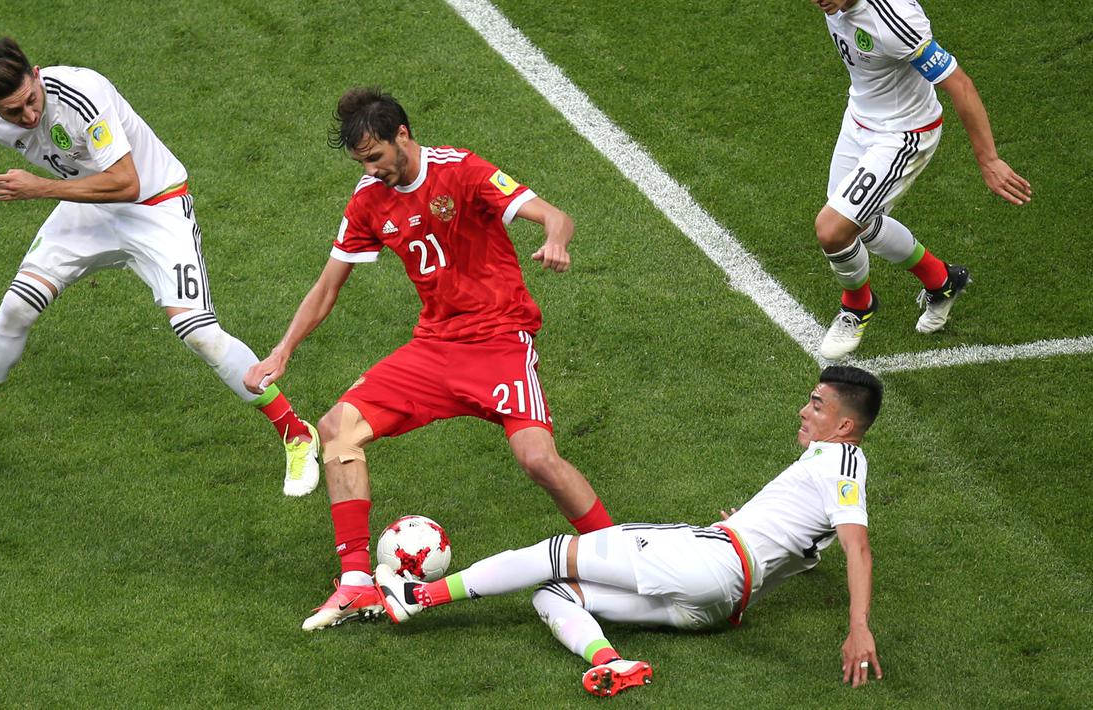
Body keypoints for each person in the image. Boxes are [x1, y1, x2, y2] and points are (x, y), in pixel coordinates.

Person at [243, 87, 614, 631]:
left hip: (499, 342)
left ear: (402, 135)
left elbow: (555, 216)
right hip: (435, 348)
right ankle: (356, 585)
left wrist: (556, 241)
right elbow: (327, 288)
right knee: (337, 429)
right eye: (360, 163)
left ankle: (617, 554)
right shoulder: (368, 199)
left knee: (538, 459)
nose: (370, 171)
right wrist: (283, 349)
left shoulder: (460, 170)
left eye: (374, 158)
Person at [0, 38, 320, 496]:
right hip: (87, 208)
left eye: (31, 100)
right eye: (13, 111)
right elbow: (83, 175)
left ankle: (297, 433)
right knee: (15, 309)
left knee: (199, 333)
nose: (27, 116)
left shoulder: (82, 94)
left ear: (39, 74)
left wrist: (39, 189)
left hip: (156, 207)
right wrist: (53, 189)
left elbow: (128, 182)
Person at [376, 365, 885, 698]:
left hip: (711, 561)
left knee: (554, 553)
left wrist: (859, 626)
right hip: (715, 609)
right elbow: (808, 545)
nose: (804, 409)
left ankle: (418, 595)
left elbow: (856, 546)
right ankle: (613, 663)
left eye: (818, 404)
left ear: (845, 425)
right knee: (553, 595)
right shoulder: (830, 467)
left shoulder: (840, 461)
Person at [812, 0, 1031, 360]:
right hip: (859, 120)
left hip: (904, 133)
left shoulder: (895, 20)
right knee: (857, 223)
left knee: (833, 229)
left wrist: (989, 159)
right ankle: (943, 281)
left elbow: (960, 85)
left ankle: (858, 306)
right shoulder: (833, 5)